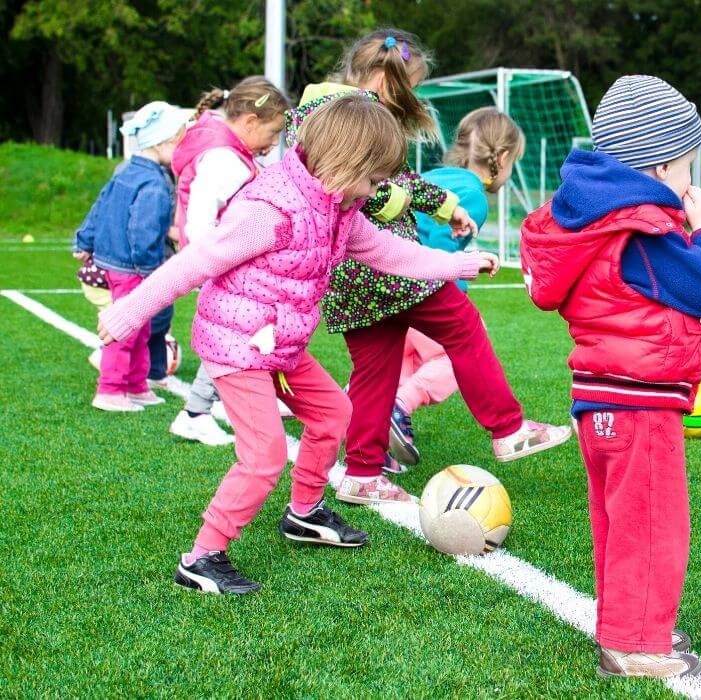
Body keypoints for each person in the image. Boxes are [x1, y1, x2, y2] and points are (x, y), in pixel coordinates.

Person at [96, 95, 499, 595]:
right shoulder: (270, 209)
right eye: (374, 180)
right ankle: (201, 557)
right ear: (345, 163)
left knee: (335, 414)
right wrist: (129, 312)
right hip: (237, 345)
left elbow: (387, 252)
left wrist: (459, 264)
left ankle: (304, 513)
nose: (378, 192)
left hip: (280, 345)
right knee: (264, 454)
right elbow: (195, 262)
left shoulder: (339, 205)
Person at [286, 28, 570, 508]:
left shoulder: (319, 109)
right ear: (382, 77)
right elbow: (365, 188)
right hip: (386, 265)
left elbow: (396, 178)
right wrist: (405, 206)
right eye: (408, 87)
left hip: (349, 275)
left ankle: (361, 472)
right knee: (462, 326)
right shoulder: (348, 114)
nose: (410, 98)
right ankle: (508, 428)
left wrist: (445, 207)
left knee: (376, 369)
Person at [520, 75, 701, 678]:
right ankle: (636, 644)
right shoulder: (644, 227)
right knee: (652, 525)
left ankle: (628, 624)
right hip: (638, 409)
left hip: (603, 399)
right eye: (689, 165)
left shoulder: (600, 221)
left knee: (620, 522)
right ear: (662, 165)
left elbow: (628, 305)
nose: (692, 181)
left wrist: (691, 343)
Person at [387, 106, 526, 467]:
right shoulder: (474, 197)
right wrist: (461, 275)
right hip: (419, 289)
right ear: (504, 157)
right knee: (455, 355)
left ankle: (360, 415)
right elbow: (439, 251)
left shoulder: (435, 176)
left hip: (385, 285)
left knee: (397, 362)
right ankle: (399, 407)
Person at [167, 76, 291, 446]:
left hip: (223, 262)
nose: (272, 145)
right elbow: (202, 217)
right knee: (235, 336)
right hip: (222, 265)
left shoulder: (228, 151)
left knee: (247, 332)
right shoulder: (225, 160)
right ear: (250, 122)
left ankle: (220, 404)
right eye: (272, 133)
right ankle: (195, 412)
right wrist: (213, 263)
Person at [73, 101, 192, 412]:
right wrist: (151, 272)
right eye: (180, 142)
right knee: (127, 327)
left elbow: (99, 205)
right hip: (133, 267)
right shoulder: (153, 182)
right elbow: (143, 230)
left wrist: (84, 239)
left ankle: (136, 385)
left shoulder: (126, 169)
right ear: (165, 142)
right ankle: (110, 390)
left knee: (141, 326)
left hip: (117, 262)